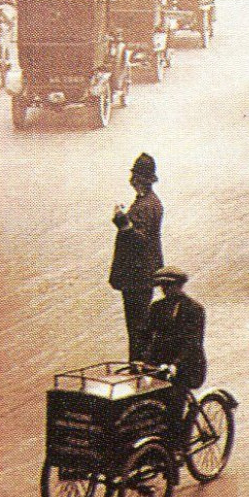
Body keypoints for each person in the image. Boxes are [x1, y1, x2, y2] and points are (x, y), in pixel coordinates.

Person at [141, 265, 206, 449]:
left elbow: (192, 342)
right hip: (160, 365)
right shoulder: (157, 307)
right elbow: (145, 334)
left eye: (169, 286)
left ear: (179, 286)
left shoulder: (194, 309)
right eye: (162, 286)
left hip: (187, 366)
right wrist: (141, 359)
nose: (165, 290)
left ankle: (177, 446)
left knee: (174, 400)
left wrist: (175, 364)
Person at [109, 154, 164, 362]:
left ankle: (138, 365)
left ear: (138, 180)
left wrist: (122, 221)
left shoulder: (144, 206)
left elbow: (139, 240)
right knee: (139, 325)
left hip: (137, 277)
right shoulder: (151, 202)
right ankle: (139, 363)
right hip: (145, 273)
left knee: (137, 326)